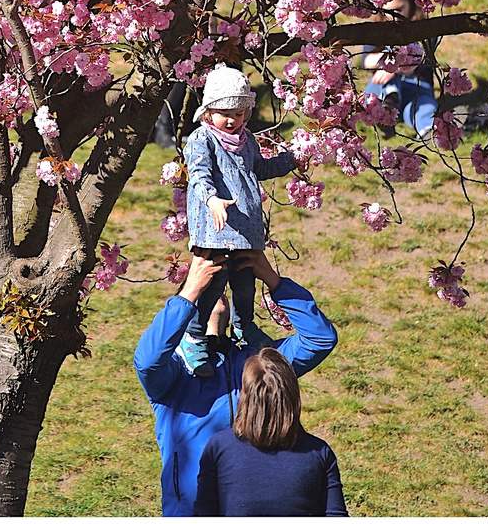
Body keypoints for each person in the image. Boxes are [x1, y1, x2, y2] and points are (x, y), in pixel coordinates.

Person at [134, 250, 338, 517]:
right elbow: (147, 361)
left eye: (221, 289)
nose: (218, 292)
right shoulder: (174, 373)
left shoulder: (259, 366)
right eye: (208, 288)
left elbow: (320, 339)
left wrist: (272, 279)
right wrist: (191, 290)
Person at [180, 65, 297, 375]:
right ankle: (193, 336)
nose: (231, 120)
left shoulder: (247, 141)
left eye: (239, 112)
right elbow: (199, 174)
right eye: (223, 112)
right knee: (213, 282)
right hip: (215, 230)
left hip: (245, 228)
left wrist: (290, 160)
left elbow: (258, 169)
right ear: (208, 112)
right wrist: (211, 200)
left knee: (244, 281)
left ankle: (245, 327)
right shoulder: (201, 139)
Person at [193, 347, 348, 516]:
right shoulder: (319, 452)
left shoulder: (218, 447)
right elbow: (336, 515)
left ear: (246, 397)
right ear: (292, 397)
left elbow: (203, 513)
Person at [362, 0, 438, 140]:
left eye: (399, 9)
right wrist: (387, 64)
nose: (395, 16)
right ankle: (387, 105)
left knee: (423, 107)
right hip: (379, 87)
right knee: (385, 85)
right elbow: (366, 61)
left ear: (411, 4)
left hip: (416, 87)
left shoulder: (424, 30)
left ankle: (428, 129)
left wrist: (395, 68)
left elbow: (421, 59)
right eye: (390, 12)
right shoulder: (377, 30)